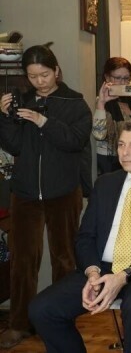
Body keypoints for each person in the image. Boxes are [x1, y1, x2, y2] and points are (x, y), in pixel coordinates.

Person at [29, 120, 131, 353]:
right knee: (42, 309)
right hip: (104, 268)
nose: (124, 152)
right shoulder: (106, 183)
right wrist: (92, 273)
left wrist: (125, 275)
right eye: (121, 145)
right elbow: (85, 237)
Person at [0, 44, 92, 349]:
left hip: (63, 192)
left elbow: (76, 141)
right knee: (22, 260)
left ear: (56, 71)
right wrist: (4, 117)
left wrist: (44, 122)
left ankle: (61, 320)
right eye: (33, 76)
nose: (39, 81)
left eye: (44, 74)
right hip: (25, 193)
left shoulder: (75, 103)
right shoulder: (23, 101)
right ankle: (19, 323)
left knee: (64, 258)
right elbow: (14, 146)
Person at [93, 57, 131, 175]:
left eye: (126, 78)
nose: (122, 82)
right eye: (118, 78)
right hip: (110, 162)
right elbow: (99, 134)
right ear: (107, 77)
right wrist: (101, 103)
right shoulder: (100, 102)